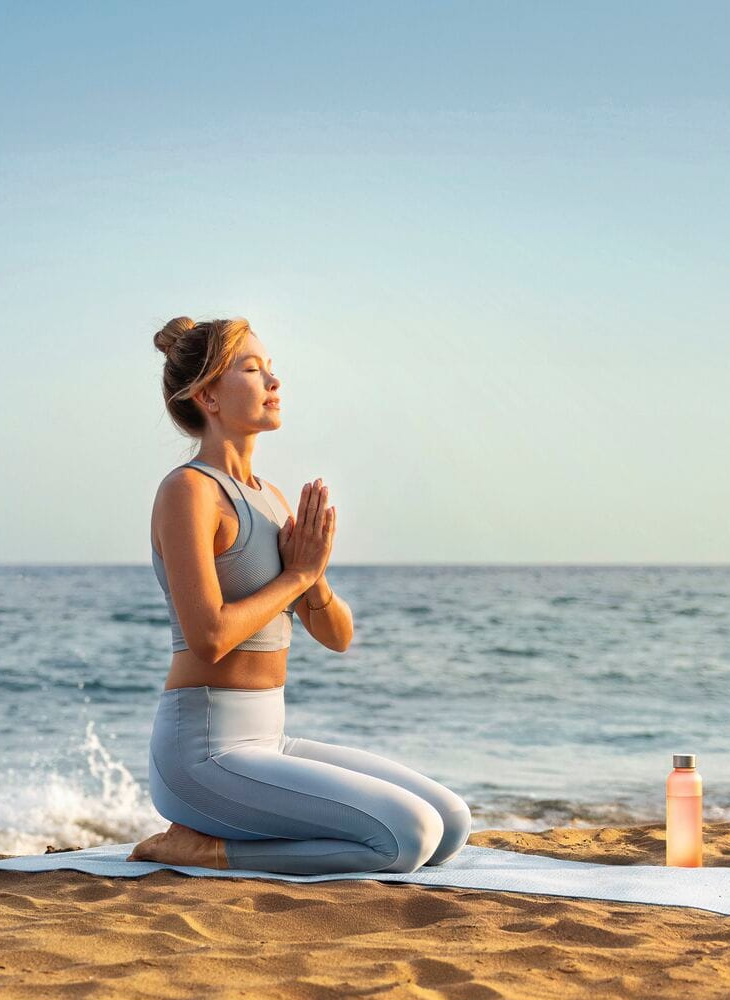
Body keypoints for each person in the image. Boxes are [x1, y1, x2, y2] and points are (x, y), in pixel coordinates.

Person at [130, 316, 473, 874]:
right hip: (203, 753)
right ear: (208, 394)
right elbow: (209, 636)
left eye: (272, 369)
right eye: (252, 369)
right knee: (407, 838)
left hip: (269, 739)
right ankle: (206, 847)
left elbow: (338, 637)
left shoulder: (275, 499)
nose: (273, 381)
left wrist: (313, 576)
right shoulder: (187, 491)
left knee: (450, 822)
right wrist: (294, 577)